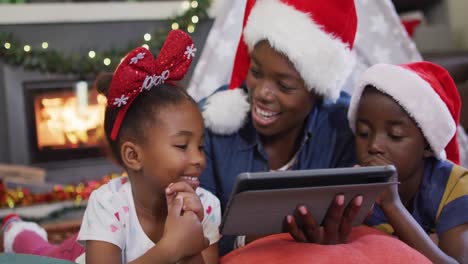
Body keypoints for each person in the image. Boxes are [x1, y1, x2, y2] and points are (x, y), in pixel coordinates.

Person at [1, 30, 221, 264]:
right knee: (42, 254)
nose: (199, 159)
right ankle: (16, 230)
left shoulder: (205, 206)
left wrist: (191, 246)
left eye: (201, 146)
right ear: (133, 155)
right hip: (79, 256)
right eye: (181, 145)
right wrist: (170, 248)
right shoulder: (108, 204)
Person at [200, 0, 362, 254]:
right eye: (255, 71)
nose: (263, 93)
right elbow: (191, 236)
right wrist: (249, 239)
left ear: (316, 91)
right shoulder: (210, 124)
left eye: (285, 86)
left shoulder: (343, 128)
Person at [348, 61, 468, 263]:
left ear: (428, 146)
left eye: (395, 135)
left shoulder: (456, 186)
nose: (374, 145)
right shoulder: (358, 191)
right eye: (364, 133)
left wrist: (392, 206)